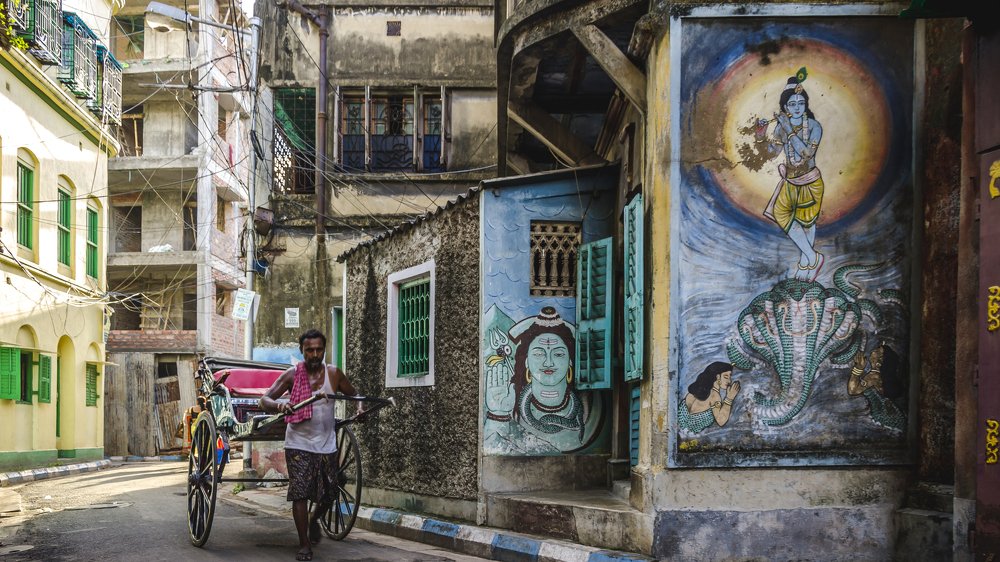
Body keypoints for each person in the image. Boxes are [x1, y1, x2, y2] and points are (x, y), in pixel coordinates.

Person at [258, 329, 360, 561]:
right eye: (309, 350)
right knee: (300, 492)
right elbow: (265, 399)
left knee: (330, 491)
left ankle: (315, 520)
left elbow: (355, 396)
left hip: (326, 444)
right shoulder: (292, 375)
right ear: (302, 351)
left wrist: (360, 409)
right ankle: (304, 544)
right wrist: (279, 406)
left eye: (319, 350)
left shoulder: (334, 374)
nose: (314, 354)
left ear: (324, 350)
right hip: (298, 443)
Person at [757, 67, 826, 281]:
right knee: (782, 214)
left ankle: (807, 264)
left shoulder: (814, 126)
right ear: (785, 106)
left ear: (806, 105)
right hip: (790, 182)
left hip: (809, 181)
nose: (797, 108)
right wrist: (760, 136)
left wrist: (788, 128)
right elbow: (772, 152)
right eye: (792, 104)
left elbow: (806, 154)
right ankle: (813, 257)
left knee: (807, 223)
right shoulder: (781, 127)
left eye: (801, 103)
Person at [678, 361, 741, 433]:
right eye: (726, 377)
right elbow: (721, 421)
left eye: (730, 377)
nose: (729, 381)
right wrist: (730, 398)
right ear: (717, 377)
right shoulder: (714, 396)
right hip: (691, 438)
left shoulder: (695, 390)